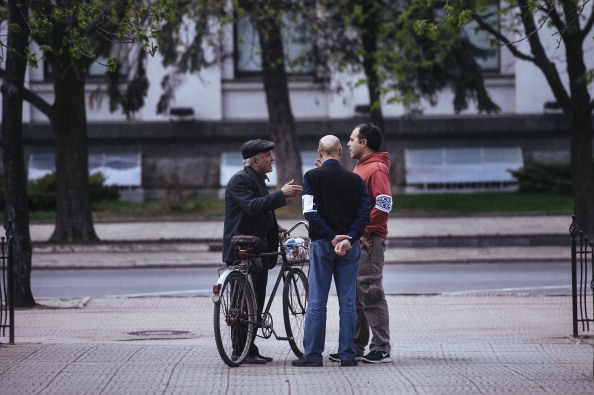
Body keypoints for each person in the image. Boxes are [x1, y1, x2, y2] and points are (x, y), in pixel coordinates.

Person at [292, 135, 370, 367]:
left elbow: (310, 213)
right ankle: (347, 355)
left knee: (317, 301)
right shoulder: (355, 180)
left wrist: (330, 236)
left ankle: (313, 355)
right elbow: (364, 214)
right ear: (340, 152)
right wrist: (349, 238)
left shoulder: (312, 177)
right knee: (348, 302)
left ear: (319, 152)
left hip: (323, 245)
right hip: (350, 246)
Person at [223, 139, 302, 364]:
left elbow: (259, 211)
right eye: (268, 155)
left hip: (257, 248)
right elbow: (252, 206)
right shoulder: (241, 180)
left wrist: (274, 227)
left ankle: (250, 347)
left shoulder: (257, 179)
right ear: (255, 159)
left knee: (255, 300)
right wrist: (281, 194)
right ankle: (240, 350)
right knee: (241, 304)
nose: (273, 159)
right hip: (242, 250)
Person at [329, 123, 393, 364]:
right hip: (359, 239)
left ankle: (381, 348)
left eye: (352, 139)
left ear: (364, 142)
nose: (348, 143)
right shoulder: (361, 167)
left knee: (370, 292)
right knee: (357, 295)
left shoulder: (376, 168)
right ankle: (356, 346)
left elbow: (384, 205)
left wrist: (363, 231)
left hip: (369, 241)